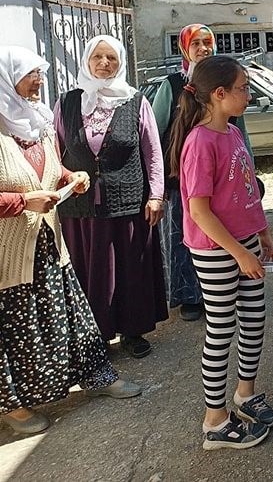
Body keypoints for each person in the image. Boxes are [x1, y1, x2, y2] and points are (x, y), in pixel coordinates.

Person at [0, 46, 141, 435]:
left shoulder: (38, 122)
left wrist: (70, 176)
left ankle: (97, 376)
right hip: (10, 254)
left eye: (40, 74)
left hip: (49, 244)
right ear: (7, 79)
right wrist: (23, 202)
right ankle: (14, 406)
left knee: (71, 315)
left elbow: (51, 166)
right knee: (17, 327)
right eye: (31, 74)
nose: (39, 81)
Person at [167, 54, 273, 450]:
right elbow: (199, 211)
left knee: (254, 319)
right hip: (217, 249)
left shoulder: (231, 132)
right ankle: (214, 420)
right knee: (221, 329)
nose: (249, 95)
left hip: (243, 242)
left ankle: (245, 394)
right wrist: (239, 254)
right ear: (218, 94)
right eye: (243, 89)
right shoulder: (200, 142)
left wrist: (262, 233)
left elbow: (247, 190)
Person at [54, 35, 168, 359]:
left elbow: (152, 152)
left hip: (127, 201)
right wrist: (58, 187)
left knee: (131, 268)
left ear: (120, 63)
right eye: (97, 57)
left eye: (111, 58)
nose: (104, 63)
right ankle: (97, 336)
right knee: (90, 272)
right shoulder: (67, 103)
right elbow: (55, 150)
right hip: (80, 208)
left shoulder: (135, 101)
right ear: (87, 61)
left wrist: (156, 195)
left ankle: (133, 332)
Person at [151, 24, 253, 321]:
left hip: (224, 177)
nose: (203, 48)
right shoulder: (173, 85)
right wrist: (158, 182)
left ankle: (218, 296)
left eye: (207, 42)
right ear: (184, 48)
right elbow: (156, 131)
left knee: (221, 233)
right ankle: (190, 297)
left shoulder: (228, 85)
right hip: (186, 178)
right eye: (195, 43)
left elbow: (240, 134)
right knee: (189, 237)